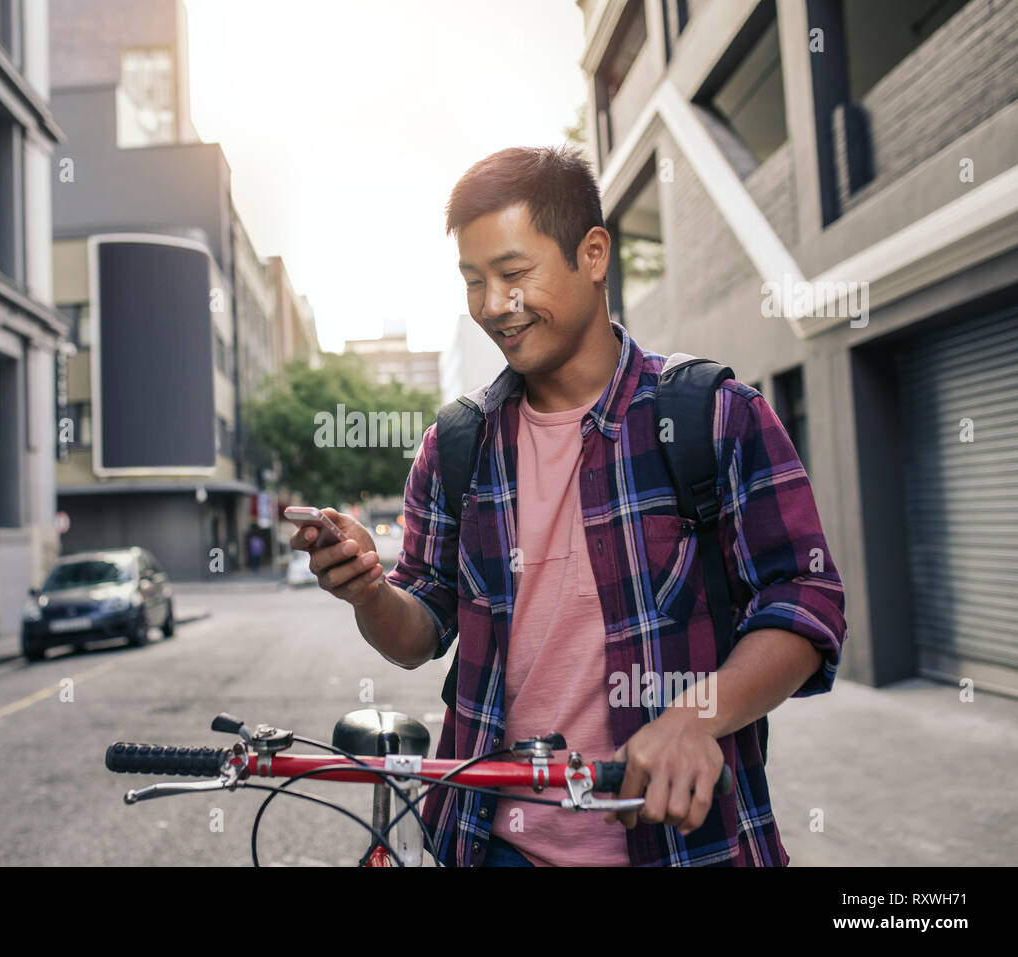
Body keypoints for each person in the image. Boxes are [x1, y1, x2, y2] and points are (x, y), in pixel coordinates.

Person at [289, 145, 847, 867]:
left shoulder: (714, 416)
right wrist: (368, 588)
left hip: (689, 846)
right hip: (494, 845)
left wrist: (695, 715)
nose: (494, 305)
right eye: (474, 281)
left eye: (515, 275)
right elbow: (417, 633)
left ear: (592, 255)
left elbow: (807, 604)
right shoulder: (454, 446)